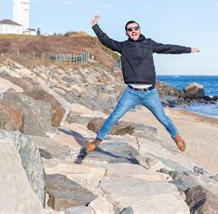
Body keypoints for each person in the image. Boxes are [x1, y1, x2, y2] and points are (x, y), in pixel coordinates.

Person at [86, 15, 200, 153]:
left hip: (150, 93)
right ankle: (97, 140)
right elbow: (106, 40)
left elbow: (168, 48)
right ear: (126, 33)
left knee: (163, 118)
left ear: (139, 30)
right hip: (131, 93)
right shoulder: (123, 46)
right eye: (130, 29)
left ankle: (177, 138)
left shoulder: (149, 43)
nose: (133, 31)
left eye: (136, 28)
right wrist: (95, 27)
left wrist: (189, 49)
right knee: (114, 117)